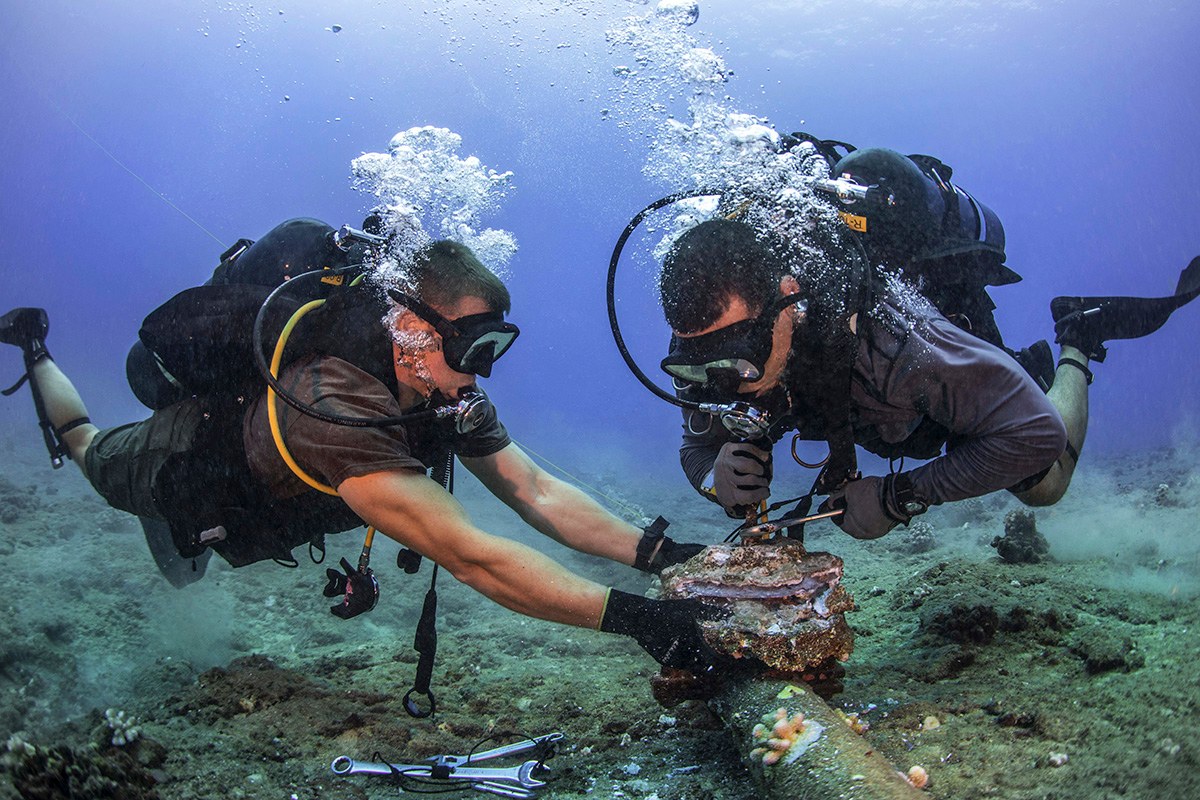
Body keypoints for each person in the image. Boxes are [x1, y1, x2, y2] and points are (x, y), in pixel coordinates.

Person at [0, 225, 719, 674]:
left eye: (495, 346)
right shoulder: (335, 401)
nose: (481, 370)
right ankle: (34, 348)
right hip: (178, 461)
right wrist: (644, 621)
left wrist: (663, 555)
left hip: (264, 511)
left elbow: (532, 490)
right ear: (408, 326)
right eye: (471, 345)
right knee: (89, 450)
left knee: (183, 563)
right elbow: (469, 552)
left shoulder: (439, 391)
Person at [653, 205, 1198, 539]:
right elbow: (696, 447)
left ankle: (1078, 337)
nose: (727, 383)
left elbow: (1036, 435)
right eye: (704, 364)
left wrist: (900, 496)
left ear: (788, 299)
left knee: (1046, 488)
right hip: (870, 404)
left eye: (740, 357)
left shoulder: (899, 341)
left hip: (929, 386)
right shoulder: (703, 353)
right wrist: (712, 476)